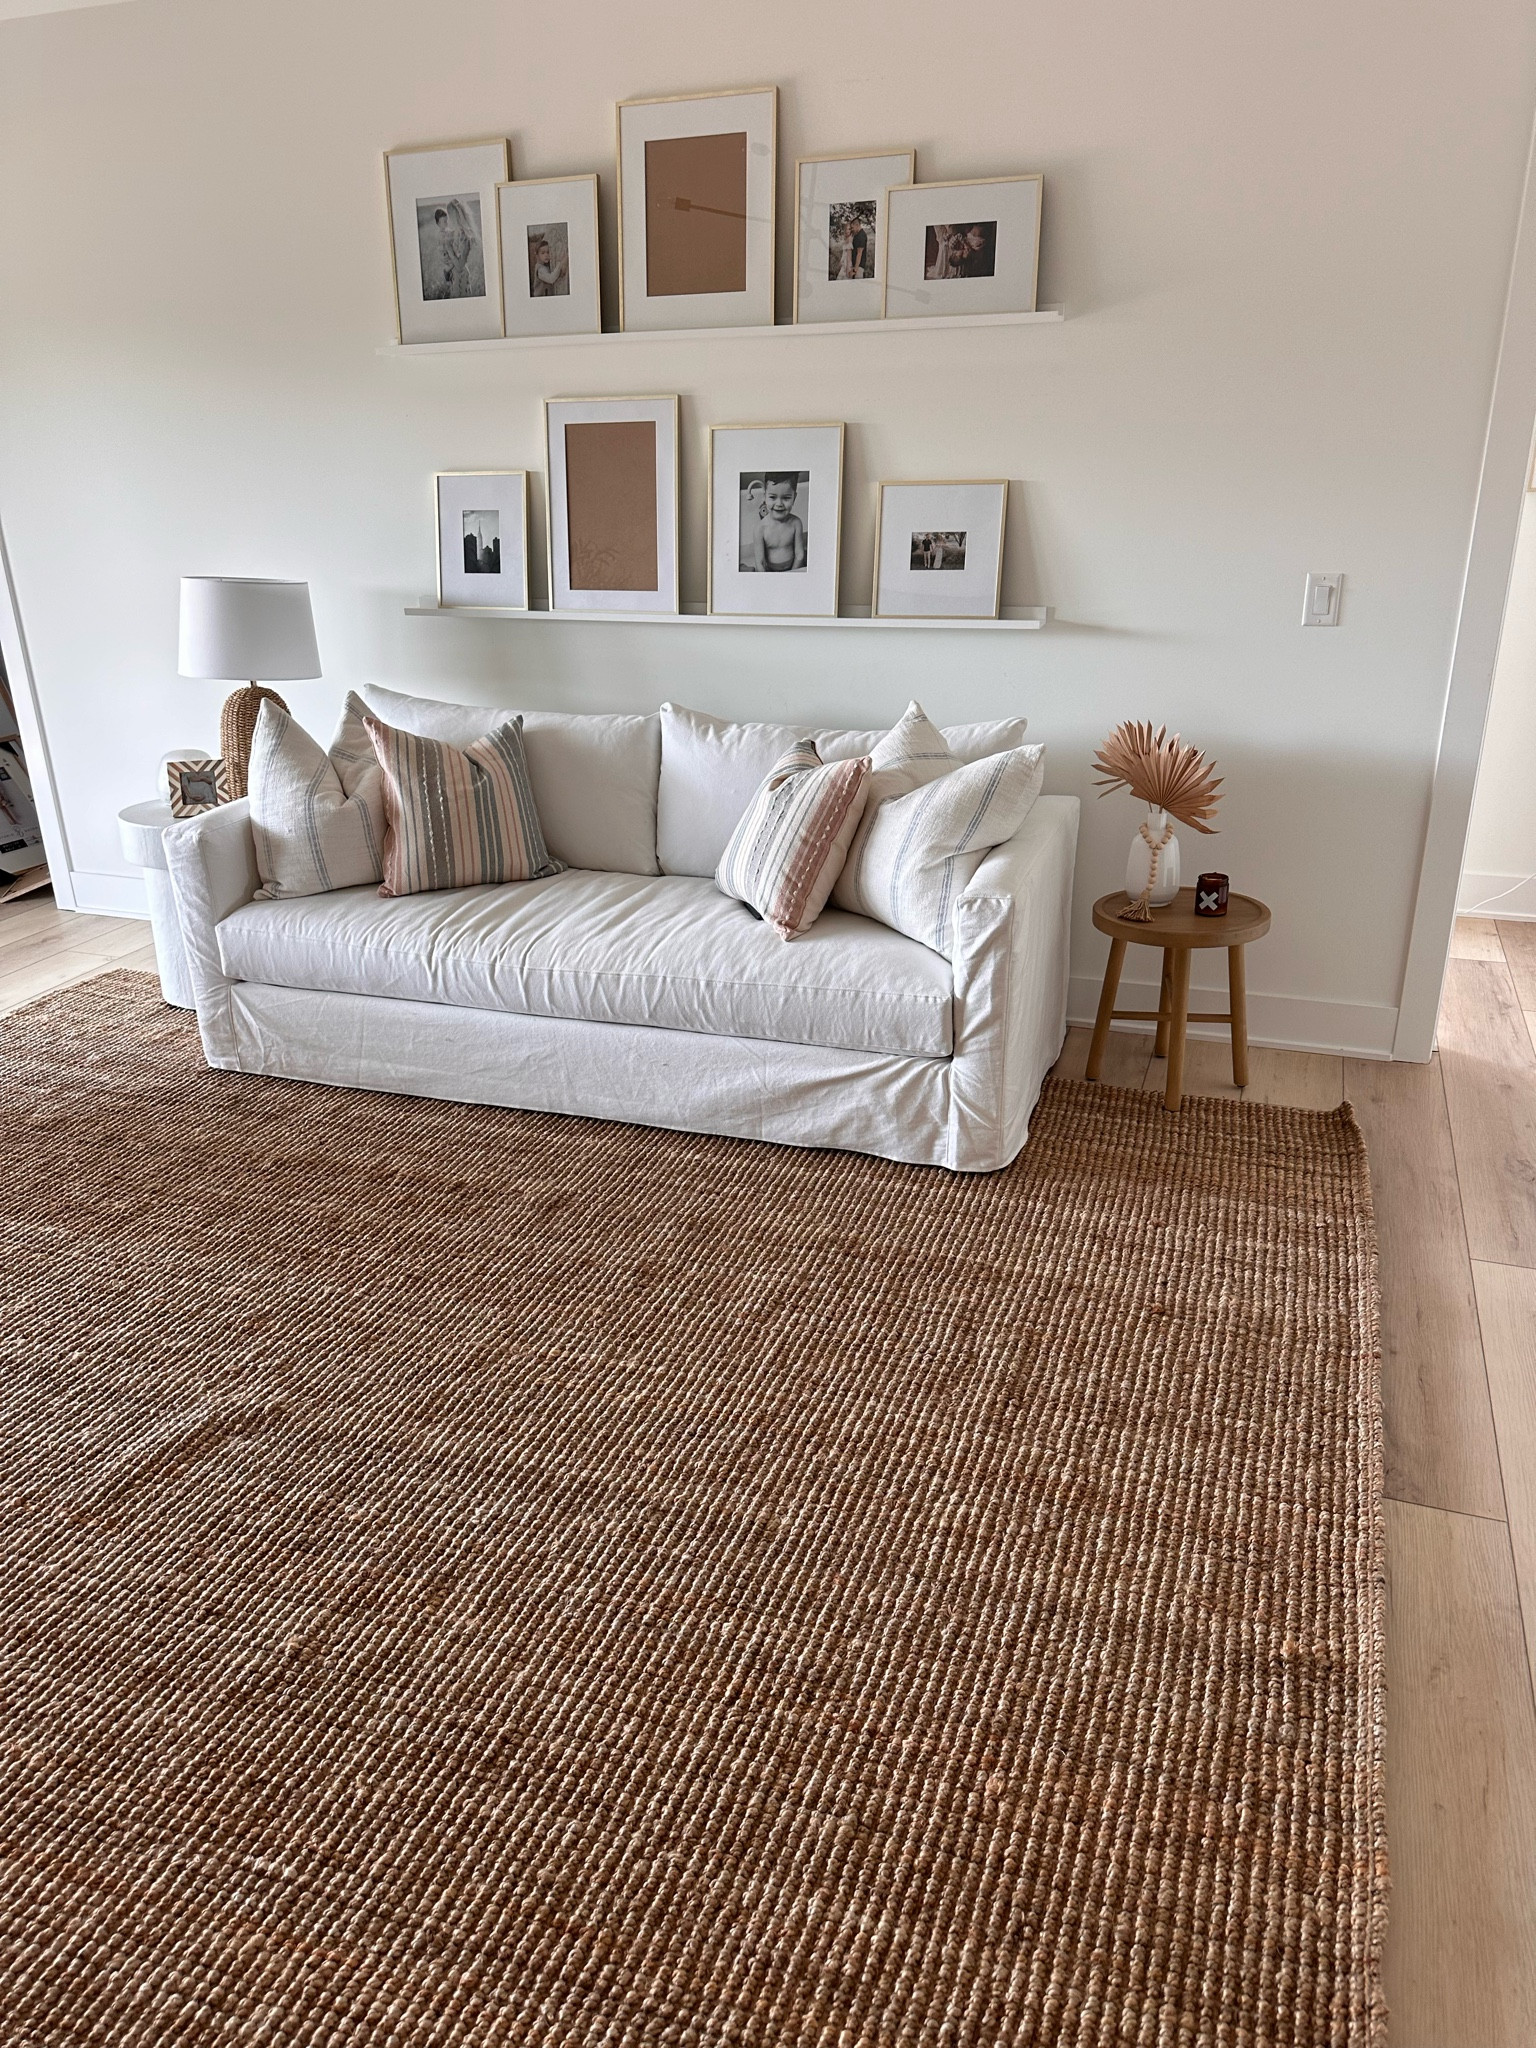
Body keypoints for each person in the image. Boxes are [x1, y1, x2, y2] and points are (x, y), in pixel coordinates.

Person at [752, 474, 806, 573]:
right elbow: (760, 562)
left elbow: (799, 554)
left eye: (786, 498)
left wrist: (792, 574)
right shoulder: (760, 528)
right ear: (764, 496)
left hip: (794, 568)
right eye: (772, 497)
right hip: (770, 571)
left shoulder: (796, 523)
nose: (779, 504)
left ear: (794, 498)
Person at [850, 212, 869, 279]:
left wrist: (855, 270)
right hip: (856, 266)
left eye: (852, 227)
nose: (852, 229)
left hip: (858, 267)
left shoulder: (861, 236)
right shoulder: (857, 235)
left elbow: (859, 253)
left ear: (857, 225)